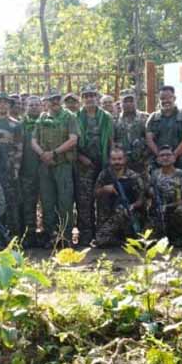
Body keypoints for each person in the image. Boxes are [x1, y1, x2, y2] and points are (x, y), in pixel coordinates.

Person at [31, 90, 80, 248]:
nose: (54, 102)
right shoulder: (42, 118)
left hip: (63, 165)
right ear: (45, 102)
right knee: (47, 202)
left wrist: (54, 153)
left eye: (57, 99)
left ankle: (65, 238)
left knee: (65, 203)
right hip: (45, 166)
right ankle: (51, 237)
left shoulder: (69, 117)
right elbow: (33, 140)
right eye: (51, 100)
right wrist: (43, 155)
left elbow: (73, 140)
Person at [75, 84, 114, 247]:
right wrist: (80, 157)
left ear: (97, 98)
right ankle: (85, 235)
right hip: (84, 164)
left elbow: (111, 141)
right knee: (84, 201)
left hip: (102, 163)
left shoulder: (106, 117)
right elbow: (71, 140)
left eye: (92, 95)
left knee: (103, 200)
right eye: (86, 96)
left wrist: (110, 162)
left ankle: (102, 235)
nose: (90, 98)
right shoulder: (76, 117)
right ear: (82, 99)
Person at [92, 147, 146, 248]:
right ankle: (124, 243)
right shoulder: (104, 174)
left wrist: (132, 206)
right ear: (109, 160)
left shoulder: (133, 176)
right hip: (108, 216)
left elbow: (141, 199)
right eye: (114, 159)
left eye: (120, 159)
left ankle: (131, 238)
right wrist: (104, 189)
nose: (117, 162)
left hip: (128, 216)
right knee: (101, 240)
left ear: (125, 159)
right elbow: (95, 193)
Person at [0, 93, 23, 236]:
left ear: (10, 105)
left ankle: (15, 236)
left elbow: (19, 147)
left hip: (9, 168)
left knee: (11, 202)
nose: (2, 105)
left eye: (5, 102)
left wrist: (16, 168)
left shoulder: (16, 124)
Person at [147, 146, 182, 243]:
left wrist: (169, 206)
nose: (165, 158)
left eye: (168, 155)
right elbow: (147, 192)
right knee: (148, 239)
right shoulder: (155, 174)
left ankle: (178, 236)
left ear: (174, 158)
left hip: (177, 212)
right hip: (159, 212)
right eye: (162, 155)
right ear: (158, 159)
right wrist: (150, 191)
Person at [146, 85, 182, 171]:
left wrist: (174, 155)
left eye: (169, 98)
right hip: (159, 161)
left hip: (180, 160)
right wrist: (161, 156)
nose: (165, 101)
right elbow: (149, 139)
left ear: (174, 98)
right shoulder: (153, 118)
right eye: (162, 98)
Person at [18, 96, 44, 245]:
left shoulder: (48, 123)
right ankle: (30, 234)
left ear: (41, 106)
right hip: (27, 170)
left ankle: (48, 233)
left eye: (36, 104)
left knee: (48, 204)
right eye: (31, 105)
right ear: (26, 107)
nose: (34, 107)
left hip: (46, 170)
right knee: (29, 204)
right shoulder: (20, 125)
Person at [114, 89, 149, 176]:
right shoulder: (114, 120)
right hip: (121, 163)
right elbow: (112, 141)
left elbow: (151, 139)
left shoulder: (145, 117)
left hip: (141, 162)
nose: (129, 104)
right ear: (120, 103)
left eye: (131, 101)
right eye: (125, 101)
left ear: (135, 101)